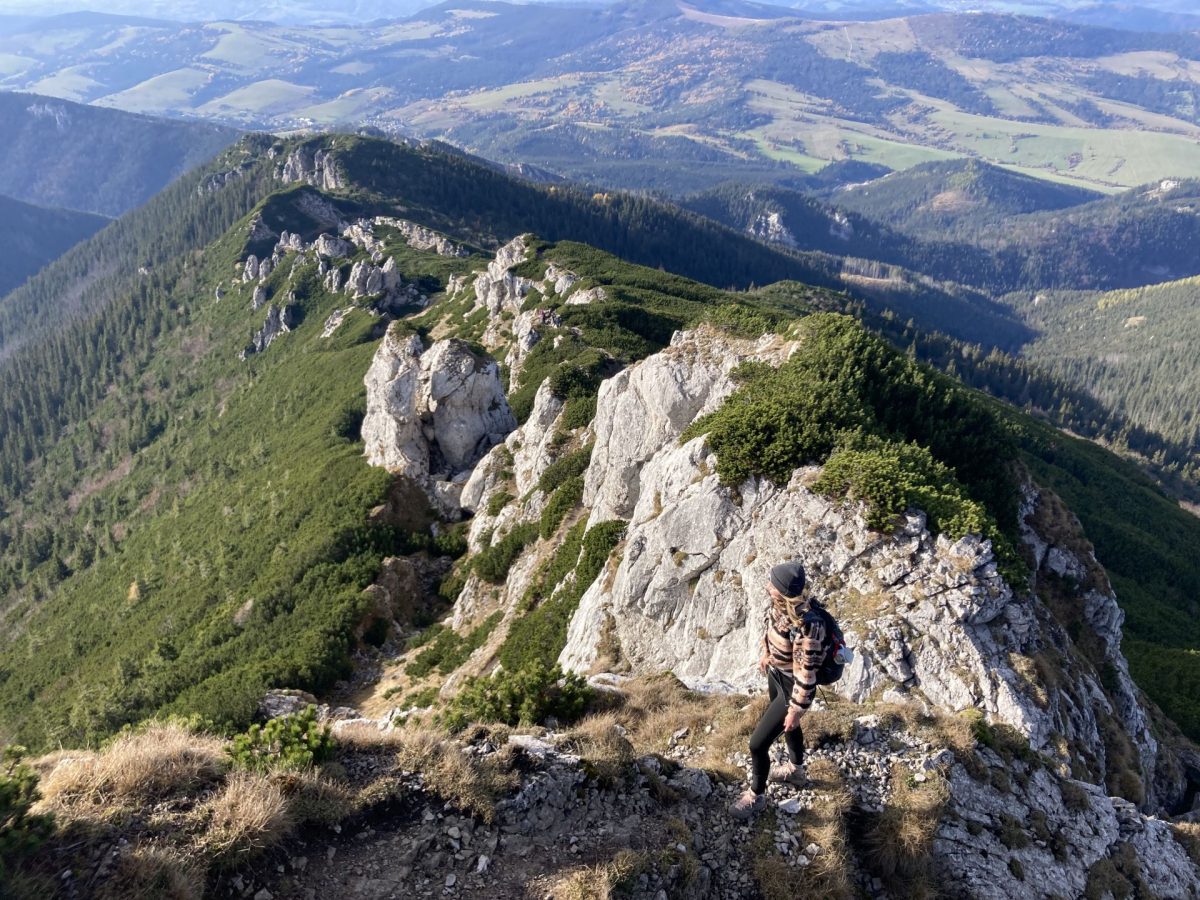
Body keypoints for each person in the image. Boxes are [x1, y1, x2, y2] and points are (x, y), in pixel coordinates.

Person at [730, 560, 829, 819]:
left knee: (756, 744)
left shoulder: (808, 626)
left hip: (791, 687)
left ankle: (756, 797)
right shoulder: (780, 606)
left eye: (772, 584)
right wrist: (767, 654)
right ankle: (797, 772)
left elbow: (807, 674)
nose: (767, 586)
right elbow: (771, 631)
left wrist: (796, 708)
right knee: (789, 728)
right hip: (776, 675)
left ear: (783, 590)